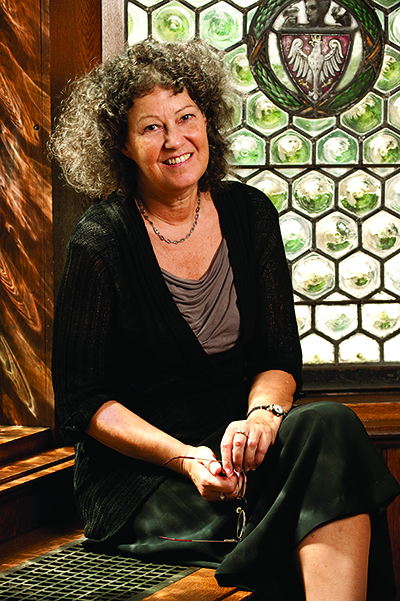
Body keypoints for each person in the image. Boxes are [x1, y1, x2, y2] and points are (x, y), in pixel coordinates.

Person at [50, 38, 400, 601]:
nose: (175, 140)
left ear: (208, 120)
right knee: (315, 500)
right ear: (121, 145)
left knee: (330, 424)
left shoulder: (249, 212)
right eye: (150, 127)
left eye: (186, 116)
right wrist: (186, 457)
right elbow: (82, 403)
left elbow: (277, 358)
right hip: (147, 479)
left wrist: (261, 419)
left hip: (240, 457)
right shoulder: (102, 239)